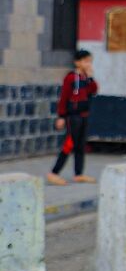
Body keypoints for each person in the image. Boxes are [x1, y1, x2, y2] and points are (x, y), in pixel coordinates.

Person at [46, 49, 98, 186]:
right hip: (73, 117)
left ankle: (78, 174)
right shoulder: (70, 78)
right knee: (69, 144)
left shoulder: (86, 78)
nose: (88, 64)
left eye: (90, 61)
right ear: (77, 62)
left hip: (84, 115)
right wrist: (61, 116)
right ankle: (54, 173)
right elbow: (64, 98)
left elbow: (94, 90)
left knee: (80, 145)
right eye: (86, 61)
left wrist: (91, 77)